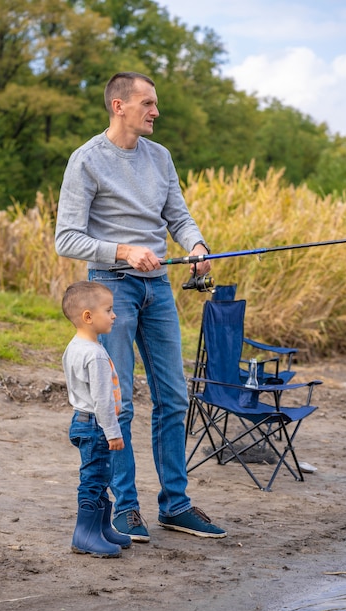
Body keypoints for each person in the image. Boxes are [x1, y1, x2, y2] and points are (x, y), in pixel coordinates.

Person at [56, 71, 227, 542]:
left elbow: (179, 215)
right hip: (111, 289)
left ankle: (175, 505)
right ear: (119, 106)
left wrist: (196, 246)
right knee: (120, 402)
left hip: (158, 290)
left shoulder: (161, 157)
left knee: (173, 397)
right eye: (148, 103)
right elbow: (66, 238)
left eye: (155, 104)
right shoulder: (87, 160)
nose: (156, 111)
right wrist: (124, 251)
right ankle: (124, 509)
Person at [61, 280, 132, 557]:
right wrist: (113, 432)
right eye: (109, 310)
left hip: (82, 420)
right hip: (96, 425)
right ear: (88, 317)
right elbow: (102, 400)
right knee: (93, 479)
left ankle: (102, 527)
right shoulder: (96, 355)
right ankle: (85, 535)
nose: (114, 315)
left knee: (100, 476)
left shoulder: (74, 347)